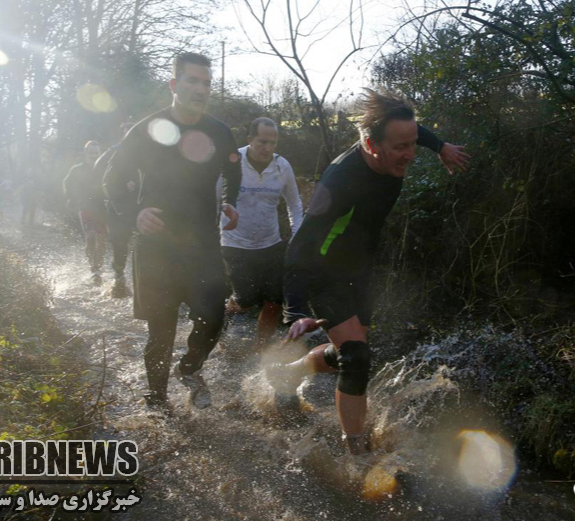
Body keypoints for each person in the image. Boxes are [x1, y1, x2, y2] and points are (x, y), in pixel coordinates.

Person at [269, 90, 470, 455]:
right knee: (357, 357)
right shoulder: (340, 180)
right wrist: (296, 309)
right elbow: (302, 244)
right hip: (322, 271)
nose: (409, 154)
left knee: (345, 352)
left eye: (411, 144)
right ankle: (357, 453)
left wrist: (439, 146)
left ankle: (291, 372)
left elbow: (412, 131)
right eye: (399, 148)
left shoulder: (397, 141)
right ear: (371, 144)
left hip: (359, 268)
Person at [103, 52, 241, 410]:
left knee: (214, 318)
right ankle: (157, 402)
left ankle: (189, 368)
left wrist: (229, 200)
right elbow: (113, 180)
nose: (200, 89)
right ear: (174, 84)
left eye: (206, 83)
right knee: (160, 332)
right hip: (157, 244)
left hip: (203, 244)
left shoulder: (219, 132)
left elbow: (232, 171)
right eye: (192, 81)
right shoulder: (147, 129)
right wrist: (135, 213)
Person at [219, 117, 303, 350]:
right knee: (246, 299)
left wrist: (296, 237)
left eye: (273, 143)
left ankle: (261, 348)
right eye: (262, 142)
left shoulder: (281, 166)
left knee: (274, 300)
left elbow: (294, 204)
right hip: (234, 242)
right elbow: (213, 198)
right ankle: (225, 313)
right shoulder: (233, 162)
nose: (268, 148)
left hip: (270, 242)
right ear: (249, 140)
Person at [94, 123, 136, 298]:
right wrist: (119, 188)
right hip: (116, 205)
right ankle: (119, 279)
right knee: (119, 243)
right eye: (128, 135)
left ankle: (147, 284)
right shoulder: (114, 152)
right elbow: (98, 170)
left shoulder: (147, 151)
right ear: (123, 137)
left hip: (141, 205)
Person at [63, 141, 106, 285]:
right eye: (91, 152)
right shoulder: (77, 170)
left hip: (103, 208)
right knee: (91, 236)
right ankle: (93, 267)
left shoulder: (105, 168)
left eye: (96, 152)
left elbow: (115, 182)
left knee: (102, 239)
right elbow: (67, 184)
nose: (94, 155)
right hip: (85, 207)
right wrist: (71, 198)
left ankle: (98, 266)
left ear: (100, 153)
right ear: (86, 153)